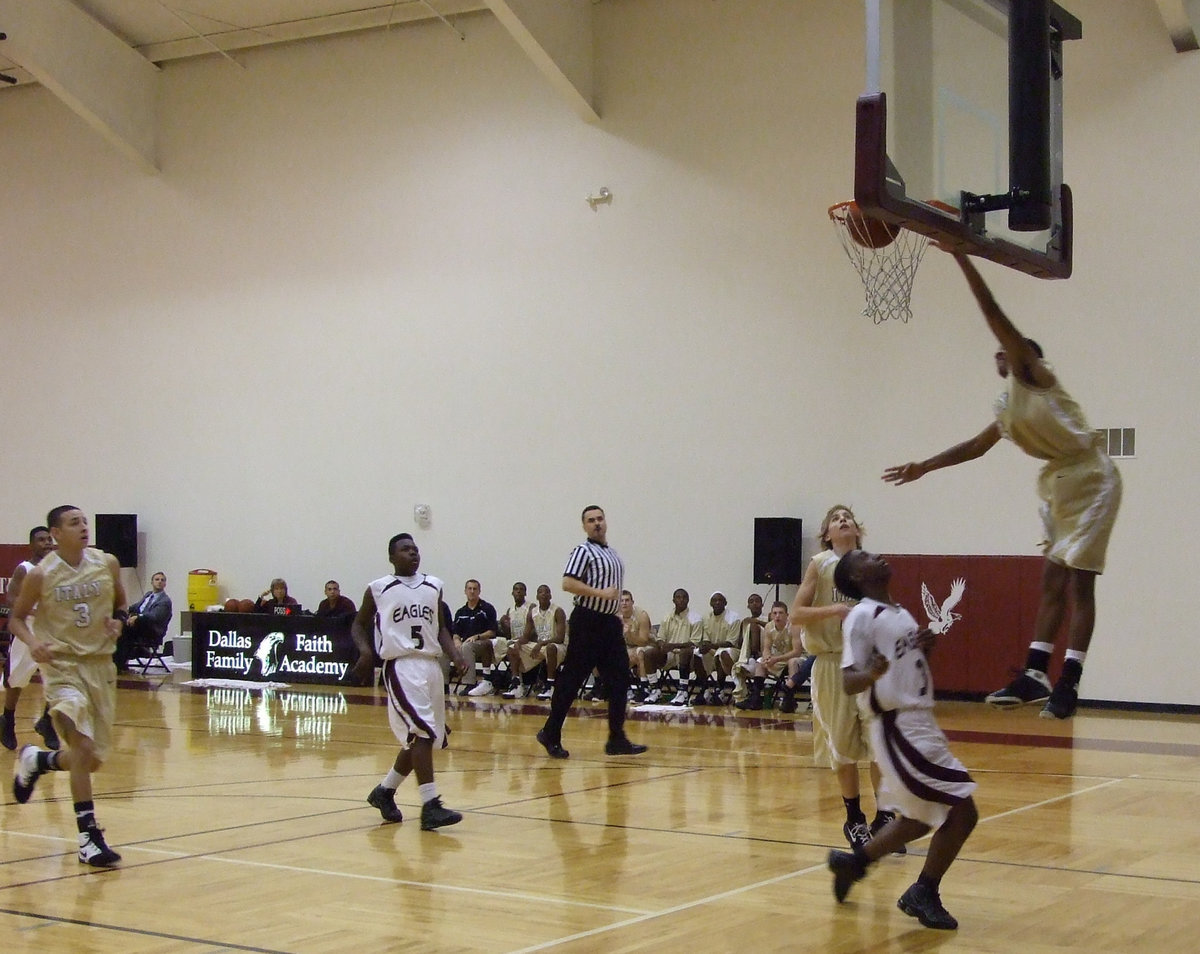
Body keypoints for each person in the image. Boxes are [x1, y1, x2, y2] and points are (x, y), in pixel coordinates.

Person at [883, 252, 1122, 720]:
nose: (998, 352)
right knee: (1051, 580)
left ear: (1024, 353)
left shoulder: (1036, 376)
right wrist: (924, 467)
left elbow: (993, 314)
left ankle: (1070, 680)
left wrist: (959, 257)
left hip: (1092, 477)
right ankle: (1035, 672)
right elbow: (976, 446)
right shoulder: (1007, 406)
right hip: (1058, 481)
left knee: (1080, 583)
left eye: (1007, 348)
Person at [827, 549, 978, 931]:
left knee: (920, 817)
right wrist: (873, 671)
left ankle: (854, 863)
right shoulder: (862, 615)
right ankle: (923, 891)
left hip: (920, 720)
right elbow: (848, 681)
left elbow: (904, 664)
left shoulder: (901, 613)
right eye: (865, 557)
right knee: (961, 810)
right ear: (858, 578)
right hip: (898, 725)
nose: (875, 556)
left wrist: (922, 649)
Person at [9, 505, 129, 867]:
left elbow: (122, 604)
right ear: (55, 533)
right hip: (62, 669)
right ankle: (87, 838)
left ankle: (38, 761)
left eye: (84, 522)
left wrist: (119, 623)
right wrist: (32, 643)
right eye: (74, 523)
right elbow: (15, 618)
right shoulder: (41, 575)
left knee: (89, 760)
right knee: (82, 743)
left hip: (99, 667)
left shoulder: (106, 564)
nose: (83, 527)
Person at [790, 505, 894, 851]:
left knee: (879, 742)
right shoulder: (819, 565)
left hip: (868, 665)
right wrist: (834, 610)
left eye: (847, 516)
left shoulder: (871, 564)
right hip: (832, 664)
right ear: (827, 534)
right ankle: (854, 819)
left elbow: (888, 610)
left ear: (857, 529)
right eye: (835, 519)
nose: (842, 520)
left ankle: (885, 817)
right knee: (845, 747)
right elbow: (797, 614)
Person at [351, 532, 466, 831]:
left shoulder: (434, 585)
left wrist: (454, 654)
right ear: (392, 557)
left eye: (415, 549)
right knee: (423, 732)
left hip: (430, 666)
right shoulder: (378, 588)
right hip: (401, 665)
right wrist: (365, 651)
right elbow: (358, 624)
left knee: (422, 737)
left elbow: (441, 627)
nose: (413, 554)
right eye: (405, 550)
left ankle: (384, 791)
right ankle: (431, 805)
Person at [535, 506, 647, 759]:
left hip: (609, 624)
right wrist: (600, 594)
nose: (597, 523)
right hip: (587, 622)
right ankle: (550, 733)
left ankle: (616, 739)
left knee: (620, 680)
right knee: (572, 680)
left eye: (600, 519)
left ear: (606, 522)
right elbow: (567, 583)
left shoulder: (614, 554)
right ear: (584, 526)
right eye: (591, 520)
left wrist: (616, 611)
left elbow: (613, 592)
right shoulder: (582, 551)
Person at [2, 526, 60, 751]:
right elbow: (11, 600)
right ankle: (7, 719)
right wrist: (34, 612)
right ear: (31, 544)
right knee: (16, 681)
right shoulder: (24, 569)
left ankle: (47, 721)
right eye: (41, 540)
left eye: (49, 539)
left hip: (52, 632)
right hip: (27, 632)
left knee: (59, 677)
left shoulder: (58, 569)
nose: (46, 543)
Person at [504, 584, 567, 699]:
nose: (543, 594)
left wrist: (541, 643)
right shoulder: (532, 612)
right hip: (541, 646)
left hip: (558, 647)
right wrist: (518, 643)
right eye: (540, 592)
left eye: (546, 592)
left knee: (551, 647)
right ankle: (517, 684)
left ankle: (550, 685)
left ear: (550, 596)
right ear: (537, 596)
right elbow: (526, 636)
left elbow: (560, 638)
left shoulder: (558, 611)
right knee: (513, 648)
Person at [114, 571, 173, 672]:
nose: (159, 582)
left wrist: (138, 617)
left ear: (165, 584)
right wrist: (124, 609)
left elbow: (154, 617)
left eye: (162, 580)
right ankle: (118, 661)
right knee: (118, 620)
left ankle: (120, 663)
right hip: (140, 626)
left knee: (124, 630)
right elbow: (137, 607)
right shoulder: (148, 595)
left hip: (152, 630)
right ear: (152, 582)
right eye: (157, 579)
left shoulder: (164, 601)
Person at [452, 579, 500, 696]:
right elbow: (456, 632)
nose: (472, 591)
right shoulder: (460, 612)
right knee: (445, 650)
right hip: (464, 644)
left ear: (479, 591)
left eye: (475, 589)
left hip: (482, 644)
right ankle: (443, 684)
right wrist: (456, 640)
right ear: (465, 591)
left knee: (467, 647)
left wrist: (477, 636)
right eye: (469, 589)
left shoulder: (487, 608)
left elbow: (492, 631)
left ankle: (470, 684)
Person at [657, 588, 703, 706]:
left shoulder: (696, 618)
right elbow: (660, 638)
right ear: (673, 600)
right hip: (670, 654)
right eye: (678, 597)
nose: (681, 600)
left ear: (688, 600)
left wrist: (673, 645)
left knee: (685, 652)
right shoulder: (667, 617)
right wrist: (662, 645)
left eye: (684, 597)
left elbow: (695, 642)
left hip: (688, 656)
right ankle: (653, 689)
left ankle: (683, 691)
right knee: (650, 653)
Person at [698, 591, 742, 705]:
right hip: (713, 649)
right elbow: (706, 639)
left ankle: (720, 689)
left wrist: (710, 646)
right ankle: (704, 689)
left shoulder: (734, 617)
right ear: (710, 603)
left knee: (721, 652)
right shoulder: (706, 618)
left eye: (720, 600)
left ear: (725, 603)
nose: (717, 602)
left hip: (732, 651)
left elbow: (731, 642)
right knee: (697, 653)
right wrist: (703, 646)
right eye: (714, 600)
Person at [620, 591, 657, 702]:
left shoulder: (641, 615)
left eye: (627, 600)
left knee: (640, 652)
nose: (624, 603)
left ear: (632, 602)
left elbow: (643, 641)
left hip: (649, 646)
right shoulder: (616, 616)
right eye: (621, 601)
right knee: (615, 655)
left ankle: (644, 687)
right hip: (629, 647)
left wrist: (629, 634)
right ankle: (626, 689)